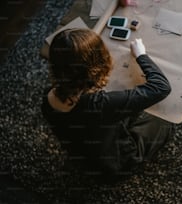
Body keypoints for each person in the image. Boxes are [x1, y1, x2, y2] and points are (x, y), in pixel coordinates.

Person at [41, 28, 172, 178]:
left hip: (83, 153)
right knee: (165, 122)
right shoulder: (100, 105)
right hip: (116, 165)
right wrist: (141, 55)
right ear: (96, 65)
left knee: (129, 109)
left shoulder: (48, 96)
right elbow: (161, 87)